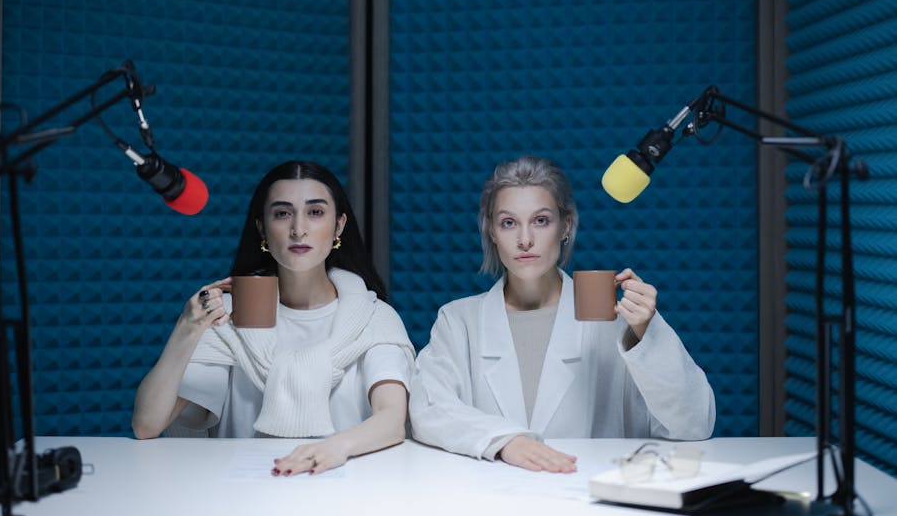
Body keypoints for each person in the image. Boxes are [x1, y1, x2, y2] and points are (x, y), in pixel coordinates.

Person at [408, 155, 715, 473]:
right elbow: (427, 407)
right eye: (509, 222)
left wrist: (645, 332)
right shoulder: (459, 321)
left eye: (541, 220)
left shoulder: (610, 319)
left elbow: (693, 425)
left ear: (565, 225)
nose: (525, 239)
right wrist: (505, 441)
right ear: (492, 232)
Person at [133, 160, 414, 476]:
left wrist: (333, 448)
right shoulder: (228, 316)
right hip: (244, 498)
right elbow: (147, 424)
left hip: (347, 495)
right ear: (262, 229)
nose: (298, 229)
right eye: (282, 213)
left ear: (338, 226)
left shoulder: (373, 317)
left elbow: (391, 420)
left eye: (315, 212)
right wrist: (188, 328)